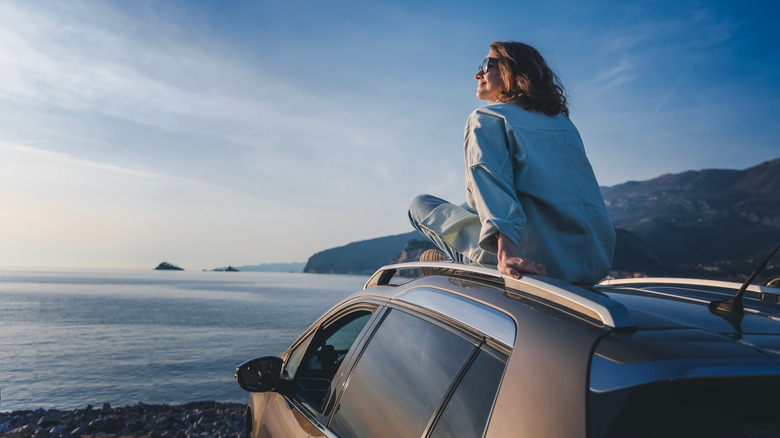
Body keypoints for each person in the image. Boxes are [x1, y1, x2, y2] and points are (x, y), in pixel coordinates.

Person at [409, 41, 616, 285]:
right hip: (591, 264)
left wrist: (506, 255)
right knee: (469, 202)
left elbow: (493, 183)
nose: (478, 74)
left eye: (487, 65)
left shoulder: (487, 118)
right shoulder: (565, 125)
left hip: (530, 262)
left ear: (511, 70)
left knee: (419, 205)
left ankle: (468, 270)